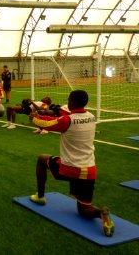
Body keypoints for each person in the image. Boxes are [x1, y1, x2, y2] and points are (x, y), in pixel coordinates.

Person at [29, 90, 114, 237]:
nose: (68, 102)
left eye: (69, 99)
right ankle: (101, 213)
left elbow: (48, 124)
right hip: (89, 169)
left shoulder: (68, 120)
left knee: (42, 159)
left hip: (70, 168)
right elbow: (59, 119)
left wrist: (35, 119)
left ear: (73, 102)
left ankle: (40, 196)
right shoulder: (91, 117)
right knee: (84, 209)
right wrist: (42, 115)